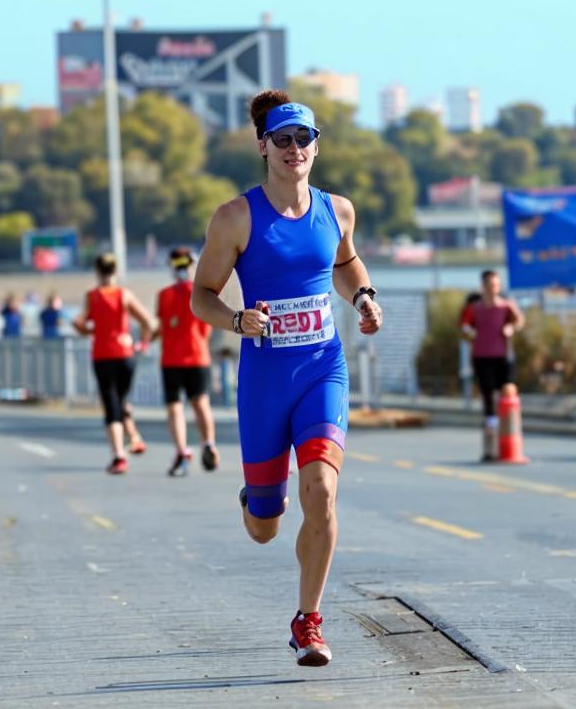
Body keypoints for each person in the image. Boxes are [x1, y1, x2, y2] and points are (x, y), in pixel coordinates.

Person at [191, 90, 383, 667]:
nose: (294, 148)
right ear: (264, 147)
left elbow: (345, 265)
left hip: (323, 367)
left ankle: (309, 621)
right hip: (265, 379)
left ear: (316, 147)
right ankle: (256, 497)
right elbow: (200, 296)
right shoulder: (235, 217)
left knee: (321, 490)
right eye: (283, 140)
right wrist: (235, 319)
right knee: (265, 528)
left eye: (304, 138)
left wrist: (364, 298)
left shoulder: (337, 211)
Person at [72, 254, 156, 474]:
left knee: (111, 404)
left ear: (97, 271)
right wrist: (143, 343)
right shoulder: (124, 295)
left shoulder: (93, 296)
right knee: (120, 399)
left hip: (103, 354)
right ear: (115, 271)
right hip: (125, 353)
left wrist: (91, 331)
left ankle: (119, 455)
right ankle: (135, 437)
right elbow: (148, 321)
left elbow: (77, 322)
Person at [154, 247, 219, 477]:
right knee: (201, 402)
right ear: (191, 265)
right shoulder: (200, 294)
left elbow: (162, 327)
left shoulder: (164, 295)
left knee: (175, 407)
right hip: (197, 355)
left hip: (171, 358)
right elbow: (206, 328)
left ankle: (182, 451)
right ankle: (208, 442)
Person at [461, 269, 524, 461]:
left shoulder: (507, 306)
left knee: (508, 392)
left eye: (496, 285)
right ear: (483, 287)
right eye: (489, 286)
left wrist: (510, 328)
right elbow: (464, 327)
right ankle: (490, 448)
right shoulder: (474, 307)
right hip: (482, 357)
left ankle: (510, 444)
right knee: (489, 400)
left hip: (503, 357)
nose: (493, 289)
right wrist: (471, 335)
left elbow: (519, 321)